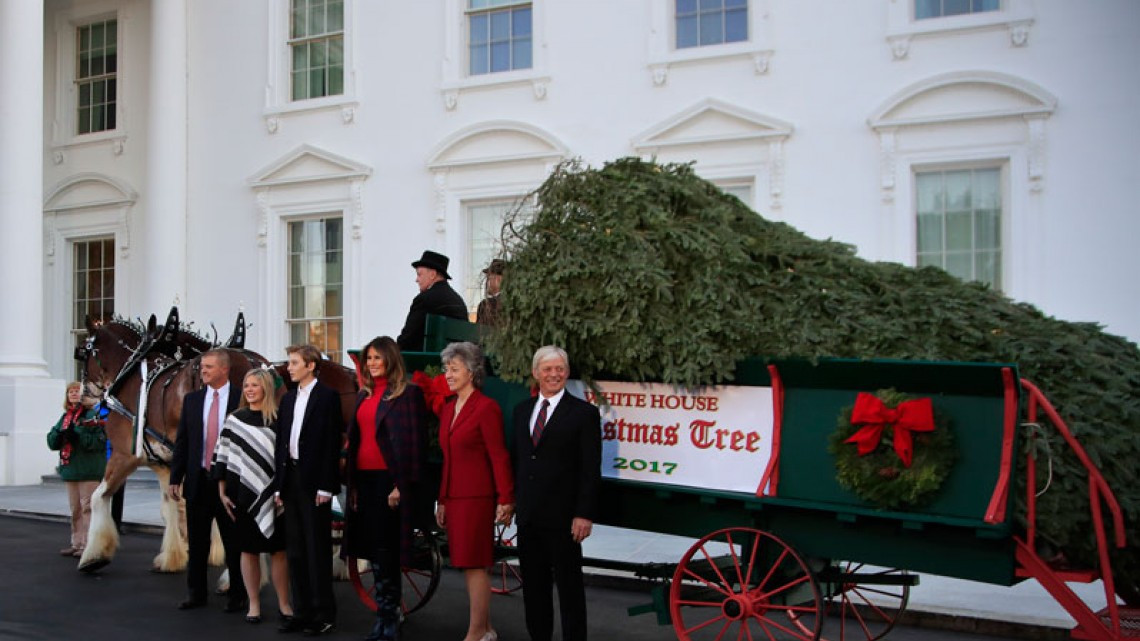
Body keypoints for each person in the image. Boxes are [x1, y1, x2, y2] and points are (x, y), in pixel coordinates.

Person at [511, 346, 601, 641]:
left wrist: (584, 513)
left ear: (567, 372)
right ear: (536, 373)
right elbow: (520, 461)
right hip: (529, 516)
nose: (554, 374)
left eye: (559, 369)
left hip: (564, 519)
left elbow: (590, 468)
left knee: (569, 589)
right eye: (547, 369)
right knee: (534, 589)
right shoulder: (522, 410)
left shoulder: (584, 414)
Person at [343, 336, 428, 641]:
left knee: (386, 550)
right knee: (373, 551)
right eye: (369, 359)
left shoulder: (409, 395)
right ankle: (384, 613)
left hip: (389, 481)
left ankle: (390, 616)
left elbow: (415, 444)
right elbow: (357, 442)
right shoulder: (364, 396)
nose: (372, 363)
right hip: (364, 481)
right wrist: (351, 485)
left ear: (391, 359)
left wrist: (400, 484)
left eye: (378, 358)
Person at [436, 341, 514, 641]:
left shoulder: (486, 408)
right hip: (454, 498)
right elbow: (448, 459)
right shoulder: (447, 408)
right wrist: (442, 499)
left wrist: (506, 498)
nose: (448, 375)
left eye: (454, 369)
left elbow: (499, 456)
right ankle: (486, 628)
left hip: (477, 498)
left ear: (471, 372)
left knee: (474, 564)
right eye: (447, 369)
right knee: (467, 563)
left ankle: (476, 631)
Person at [211, 368, 294, 626]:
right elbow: (222, 458)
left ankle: (284, 603)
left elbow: (286, 459)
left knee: (279, 552)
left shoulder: (279, 419)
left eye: (254, 385)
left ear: (266, 388)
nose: (249, 389)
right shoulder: (234, 420)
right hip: (241, 495)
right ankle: (254, 604)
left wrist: (283, 490)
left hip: (275, 496)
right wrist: (222, 492)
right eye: (246, 385)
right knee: (248, 551)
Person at [273, 345, 345, 636]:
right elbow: (281, 444)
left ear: (311, 365)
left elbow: (331, 443)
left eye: (294, 363)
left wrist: (328, 486)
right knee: (296, 551)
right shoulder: (289, 399)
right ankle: (301, 612)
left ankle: (323, 614)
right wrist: (279, 485)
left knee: (317, 550)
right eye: (289, 362)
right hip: (290, 479)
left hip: (316, 481)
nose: (289, 368)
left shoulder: (327, 397)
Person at [169, 348, 247, 612]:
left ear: (224, 369)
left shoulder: (240, 399)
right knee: (198, 542)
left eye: (209, 367)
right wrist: (175, 477)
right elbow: (183, 442)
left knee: (234, 541)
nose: (203, 371)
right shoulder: (192, 400)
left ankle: (239, 594)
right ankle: (196, 593)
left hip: (230, 483)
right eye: (202, 367)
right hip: (198, 481)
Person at [46, 382, 107, 558]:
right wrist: (60, 435)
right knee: (75, 510)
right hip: (71, 469)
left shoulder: (93, 415)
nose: (73, 394)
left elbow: (97, 443)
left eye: (76, 391)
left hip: (89, 470)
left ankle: (89, 545)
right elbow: (51, 441)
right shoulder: (66, 417)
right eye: (70, 392)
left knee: (88, 508)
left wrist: (77, 433)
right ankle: (77, 542)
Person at [396, 250, 468, 352]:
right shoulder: (458, 300)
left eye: (419, 274)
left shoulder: (425, 299)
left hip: (427, 360)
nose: (416, 279)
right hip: (455, 359)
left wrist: (391, 353)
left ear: (433, 274)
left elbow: (407, 339)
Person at [476, 259, 506, 327]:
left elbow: (477, 333)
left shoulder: (486, 305)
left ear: (498, 279)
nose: (487, 283)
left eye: (489, 278)